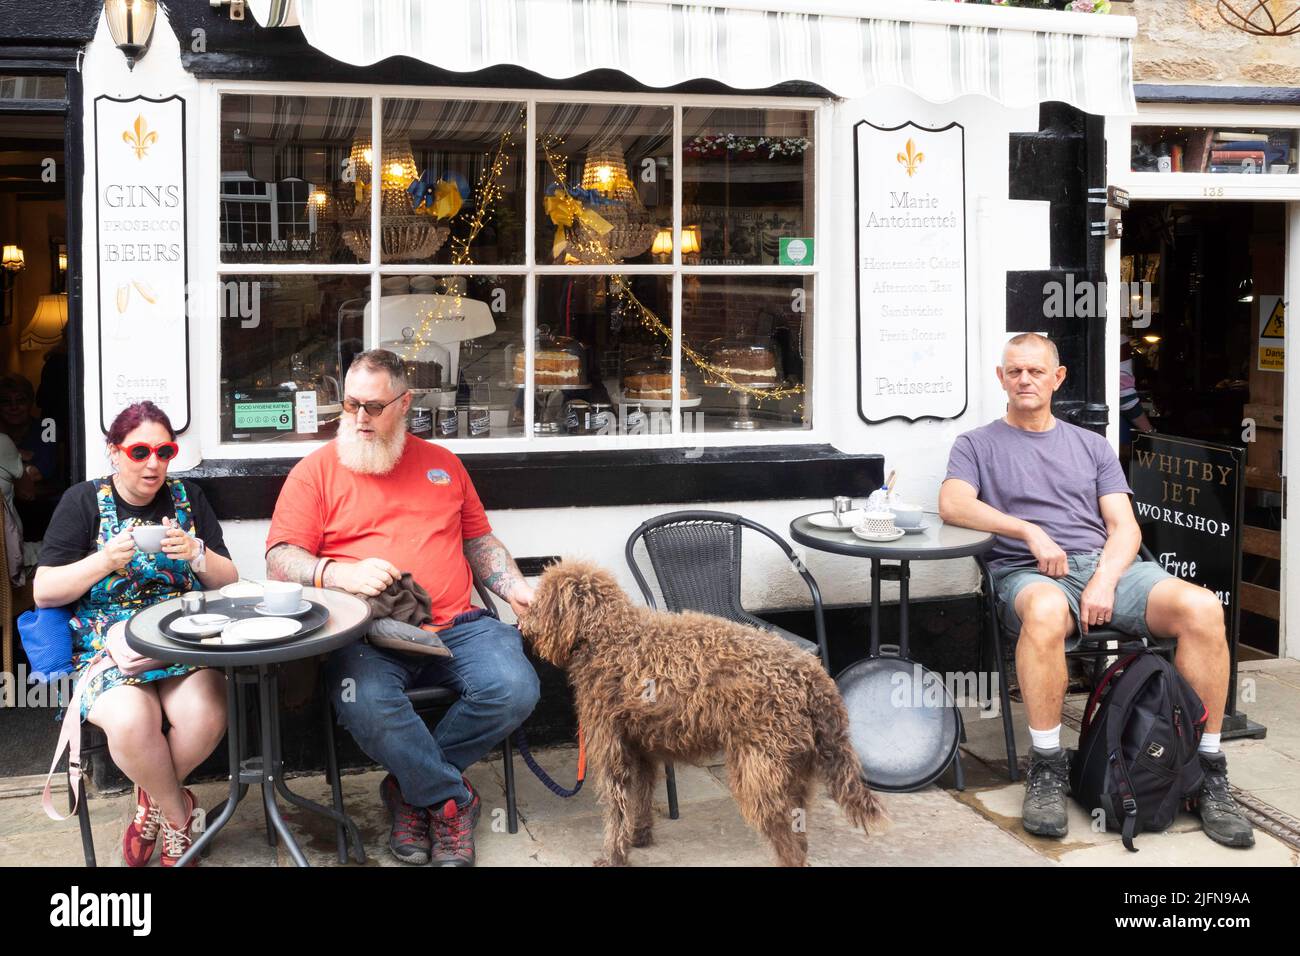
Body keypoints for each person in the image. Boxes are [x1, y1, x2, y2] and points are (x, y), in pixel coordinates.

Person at [938, 332, 1253, 848]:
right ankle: (1047, 767)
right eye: (1014, 371)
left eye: (1036, 371)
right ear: (1000, 378)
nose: (1025, 380)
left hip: (1107, 567)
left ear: (1057, 378)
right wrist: (1028, 530)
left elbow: (1126, 528)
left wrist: (1105, 578)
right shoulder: (977, 444)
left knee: (1201, 608)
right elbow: (953, 504)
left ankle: (1206, 769)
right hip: (1029, 571)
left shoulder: (1091, 445)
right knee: (1042, 611)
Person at [265, 349, 540, 867]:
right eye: (349, 406)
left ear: (405, 402)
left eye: (373, 406)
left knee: (516, 689)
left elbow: (479, 542)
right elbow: (280, 558)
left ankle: (410, 789)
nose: (360, 418)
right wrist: (334, 572)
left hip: (458, 625)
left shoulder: (444, 464)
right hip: (367, 634)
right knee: (365, 704)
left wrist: (515, 588)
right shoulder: (315, 472)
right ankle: (450, 802)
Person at [34, 402, 240, 866]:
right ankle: (178, 813)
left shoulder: (189, 498)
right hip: (113, 646)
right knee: (131, 721)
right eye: (139, 451)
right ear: (114, 451)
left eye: (164, 451)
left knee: (206, 713)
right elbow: (44, 591)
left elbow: (229, 583)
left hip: (182, 637)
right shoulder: (83, 502)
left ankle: (151, 803)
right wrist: (103, 561)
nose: (153, 463)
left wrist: (196, 554)